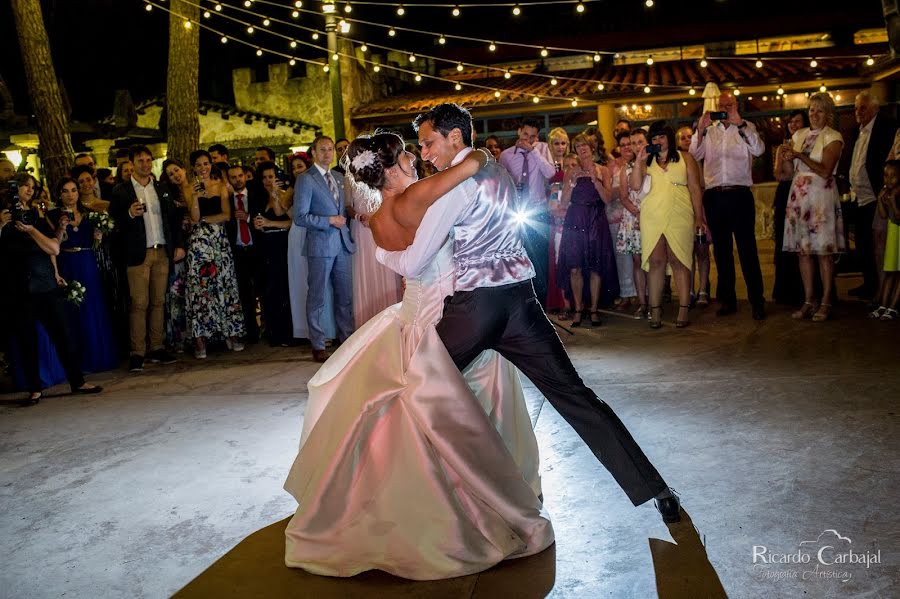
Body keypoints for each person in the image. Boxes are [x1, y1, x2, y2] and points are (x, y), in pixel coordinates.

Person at [380, 103, 681, 522]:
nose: (425, 152)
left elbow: (413, 263)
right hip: (523, 304)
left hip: (476, 309)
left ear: (454, 137)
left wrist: (378, 249)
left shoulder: (456, 185)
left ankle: (400, 495)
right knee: (576, 397)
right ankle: (657, 489)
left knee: (412, 387)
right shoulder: (495, 170)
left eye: (429, 142)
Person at [283, 132, 552, 580]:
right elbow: (467, 170)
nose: (415, 156)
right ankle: (472, 506)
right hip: (445, 314)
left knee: (406, 414)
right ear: (390, 168)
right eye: (408, 151)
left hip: (409, 314)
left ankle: (399, 503)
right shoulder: (415, 198)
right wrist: (480, 154)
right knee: (462, 408)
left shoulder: (375, 213)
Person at [1, 179, 102, 406]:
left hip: (45, 280)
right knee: (27, 338)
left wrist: (55, 272)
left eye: (32, 187)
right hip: (19, 284)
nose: (29, 190)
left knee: (62, 334)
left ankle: (77, 381)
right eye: (24, 186)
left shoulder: (37, 214)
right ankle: (34, 388)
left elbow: (53, 247)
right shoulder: (5, 216)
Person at [690, 91, 767, 320]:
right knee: (721, 252)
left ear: (736, 106)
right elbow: (695, 153)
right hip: (714, 196)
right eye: (722, 105)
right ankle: (728, 300)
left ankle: (757, 301)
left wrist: (740, 123)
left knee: (747, 250)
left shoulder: (746, 127)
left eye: (729, 104)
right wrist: (700, 130)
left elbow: (759, 149)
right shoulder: (710, 132)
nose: (725, 108)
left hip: (740, 195)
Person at [109, 145, 185, 373]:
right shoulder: (121, 191)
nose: (145, 164)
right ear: (131, 163)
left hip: (161, 250)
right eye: (140, 160)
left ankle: (157, 348)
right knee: (139, 303)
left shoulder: (161, 188)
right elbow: (113, 223)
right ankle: (137, 352)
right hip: (137, 253)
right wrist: (129, 214)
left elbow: (173, 219)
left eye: (148, 160)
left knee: (159, 302)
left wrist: (179, 245)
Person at [779, 92, 845, 322]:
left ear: (827, 114)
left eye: (819, 110)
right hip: (799, 196)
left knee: (823, 253)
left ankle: (826, 301)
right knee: (803, 252)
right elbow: (787, 173)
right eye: (811, 110)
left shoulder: (833, 137)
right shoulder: (799, 134)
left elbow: (826, 170)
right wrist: (784, 156)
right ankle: (809, 300)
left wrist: (799, 155)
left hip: (820, 197)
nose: (814, 115)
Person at [632, 122, 706, 329]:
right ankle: (655, 311)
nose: (658, 141)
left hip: (680, 213)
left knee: (679, 260)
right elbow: (636, 186)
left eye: (662, 137)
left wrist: (698, 217)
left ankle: (683, 309)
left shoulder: (686, 158)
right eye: (654, 138)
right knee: (656, 262)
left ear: (669, 138)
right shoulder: (647, 161)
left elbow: (695, 189)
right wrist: (639, 161)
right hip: (652, 214)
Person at [293, 135, 355, 363]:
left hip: (343, 244)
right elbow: (300, 217)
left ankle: (347, 339)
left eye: (330, 149)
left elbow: (345, 209)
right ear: (313, 153)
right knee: (317, 296)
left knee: (345, 295)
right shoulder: (305, 179)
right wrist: (328, 220)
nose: (328, 153)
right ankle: (318, 344)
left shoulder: (339, 176)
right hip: (320, 245)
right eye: (323, 149)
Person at [50, 178, 118, 373]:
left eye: (73, 190)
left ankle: (98, 356)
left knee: (93, 308)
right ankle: (77, 361)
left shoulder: (89, 215)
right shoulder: (53, 216)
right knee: (72, 310)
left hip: (88, 261)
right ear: (59, 194)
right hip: (67, 262)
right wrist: (61, 226)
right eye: (65, 191)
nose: (70, 194)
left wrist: (98, 237)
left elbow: (96, 245)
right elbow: (54, 243)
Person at [184, 150, 244, 358]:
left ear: (211, 165)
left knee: (225, 283)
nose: (203, 168)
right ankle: (201, 337)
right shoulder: (188, 188)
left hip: (219, 239)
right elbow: (194, 216)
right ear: (193, 167)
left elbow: (226, 215)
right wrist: (194, 197)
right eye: (199, 165)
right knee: (202, 288)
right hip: (199, 243)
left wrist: (203, 221)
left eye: (206, 164)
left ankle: (231, 332)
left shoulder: (221, 186)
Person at [839, 91, 898, 301]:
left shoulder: (887, 127)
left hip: (876, 194)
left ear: (875, 108)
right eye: (856, 108)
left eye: (862, 108)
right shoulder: (857, 131)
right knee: (862, 243)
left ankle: (882, 291)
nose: (858, 112)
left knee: (878, 245)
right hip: (858, 196)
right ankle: (869, 284)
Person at [557, 133, 618, 327]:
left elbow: (608, 199)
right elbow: (564, 201)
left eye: (585, 145)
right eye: (578, 146)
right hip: (575, 218)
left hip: (596, 219)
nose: (582, 149)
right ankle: (577, 308)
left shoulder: (603, 170)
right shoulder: (571, 172)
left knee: (595, 265)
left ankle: (593, 309)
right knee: (575, 266)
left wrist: (596, 181)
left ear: (592, 148)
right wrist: (572, 182)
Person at [499, 117, 556, 308]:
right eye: (525, 135)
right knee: (519, 257)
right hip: (516, 211)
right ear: (519, 132)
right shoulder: (506, 155)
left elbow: (550, 173)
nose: (528, 140)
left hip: (538, 211)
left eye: (532, 137)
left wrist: (533, 151)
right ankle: (524, 303)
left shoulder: (542, 149)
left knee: (540, 258)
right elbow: (501, 185)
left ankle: (542, 303)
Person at [772, 110, 811, 306]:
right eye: (791, 122)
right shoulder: (783, 147)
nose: (793, 125)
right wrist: (786, 158)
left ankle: (810, 291)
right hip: (786, 193)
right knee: (784, 240)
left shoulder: (811, 144)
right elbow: (780, 175)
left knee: (806, 242)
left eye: (798, 121)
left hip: (806, 192)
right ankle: (786, 290)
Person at [225, 164, 266, 344]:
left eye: (240, 176)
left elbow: (263, 217)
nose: (238, 180)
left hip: (257, 249)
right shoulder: (226, 199)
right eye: (233, 177)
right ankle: (251, 331)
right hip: (238, 251)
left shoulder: (257, 194)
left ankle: (268, 327)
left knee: (263, 290)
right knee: (244, 294)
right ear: (228, 180)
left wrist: (247, 218)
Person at [254, 161, 293, 347]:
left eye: (271, 177)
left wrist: (270, 224)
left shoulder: (285, 195)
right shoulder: (262, 199)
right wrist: (261, 226)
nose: (268, 181)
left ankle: (287, 332)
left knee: (283, 288)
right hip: (266, 246)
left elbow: (291, 223)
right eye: (264, 178)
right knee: (270, 290)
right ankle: (274, 332)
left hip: (282, 244)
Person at [160, 159, 195, 353]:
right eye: (171, 174)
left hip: (200, 245)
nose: (176, 175)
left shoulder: (196, 187)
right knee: (177, 293)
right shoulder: (169, 197)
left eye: (177, 170)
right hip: (180, 247)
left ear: (183, 168)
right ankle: (180, 338)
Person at [616, 129, 651, 319]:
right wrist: (638, 214)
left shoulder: (654, 164)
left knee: (655, 260)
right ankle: (642, 302)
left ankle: (655, 300)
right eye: (632, 143)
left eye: (638, 142)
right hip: (634, 216)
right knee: (638, 261)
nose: (634, 146)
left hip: (654, 215)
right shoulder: (626, 169)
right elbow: (623, 197)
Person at [871, 160, 900, 320]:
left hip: (898, 231)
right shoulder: (887, 193)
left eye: (893, 177)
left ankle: (893, 306)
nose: (888, 180)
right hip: (892, 235)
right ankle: (883, 304)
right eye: (885, 176)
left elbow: (897, 217)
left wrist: (893, 202)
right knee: (889, 271)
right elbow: (883, 215)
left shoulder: (898, 194)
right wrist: (881, 201)